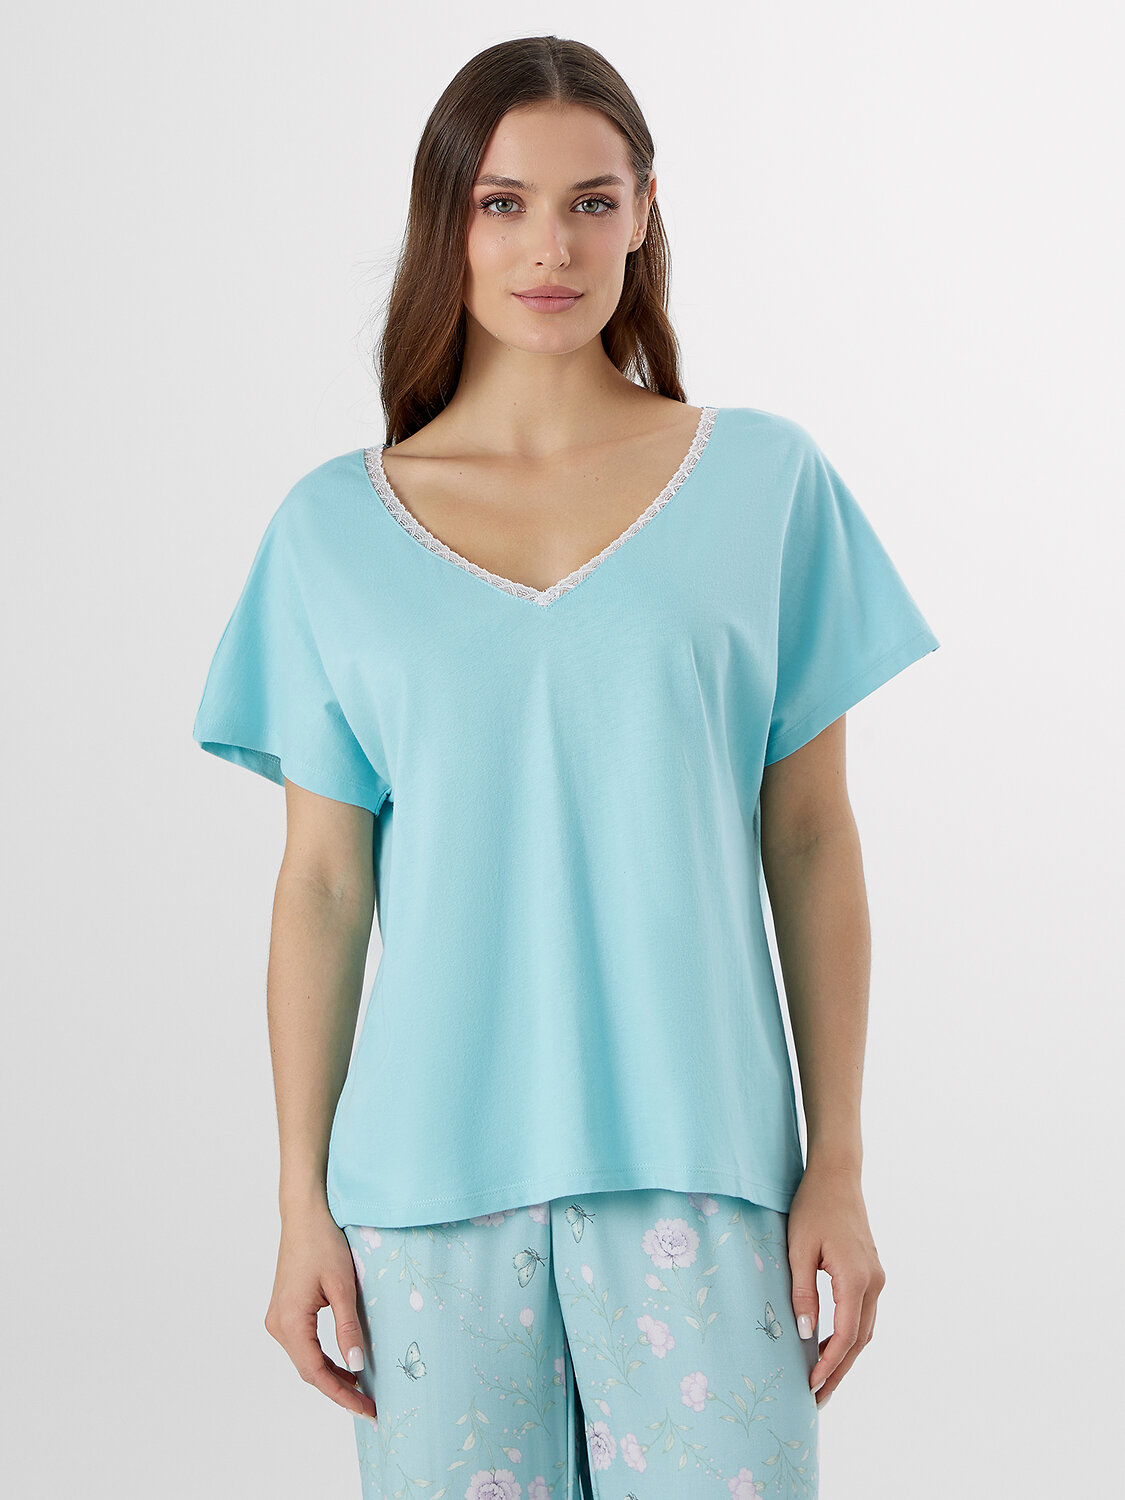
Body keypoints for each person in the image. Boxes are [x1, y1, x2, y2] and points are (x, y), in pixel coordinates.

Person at [191, 34, 940, 1500]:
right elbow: (323, 887)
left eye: (593, 202)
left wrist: (837, 1164)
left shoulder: (764, 484)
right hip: (424, 1201)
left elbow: (808, 840)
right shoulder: (331, 530)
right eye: (503, 203)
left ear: (645, 213)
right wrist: (297, 1203)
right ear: (446, 221)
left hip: (708, 1175)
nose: (552, 247)